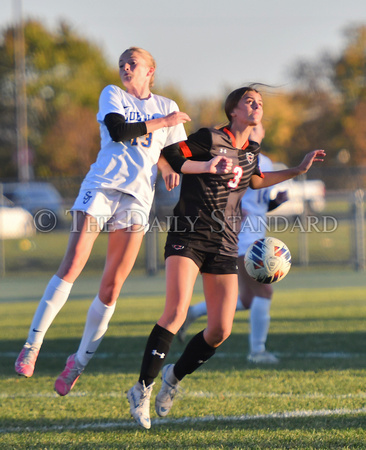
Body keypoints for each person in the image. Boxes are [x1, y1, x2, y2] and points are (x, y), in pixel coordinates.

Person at [126, 85, 326, 429]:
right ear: (233, 110)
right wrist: (207, 167)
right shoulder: (208, 137)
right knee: (174, 313)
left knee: (220, 329)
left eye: (260, 103)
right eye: (250, 101)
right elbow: (171, 155)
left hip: (224, 242)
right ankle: (141, 388)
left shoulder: (252, 150)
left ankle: (172, 377)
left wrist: (297, 170)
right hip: (188, 233)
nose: (256, 106)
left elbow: (258, 180)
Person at [14, 47, 191, 396]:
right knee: (75, 260)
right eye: (122, 63)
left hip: (138, 198)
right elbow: (119, 132)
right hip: (102, 186)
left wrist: (192, 161)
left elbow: (177, 154)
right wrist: (165, 125)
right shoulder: (113, 94)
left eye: (133, 63)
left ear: (150, 70)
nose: (126, 67)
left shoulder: (167, 105)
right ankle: (32, 346)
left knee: (112, 287)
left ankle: (77, 363)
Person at [177, 123, 288, 364]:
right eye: (251, 126)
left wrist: (275, 202)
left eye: (258, 126)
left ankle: (192, 313)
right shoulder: (235, 157)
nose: (254, 129)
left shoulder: (265, 162)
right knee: (265, 290)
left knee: (248, 300)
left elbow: (259, 203)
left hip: (257, 233)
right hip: (240, 234)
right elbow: (225, 190)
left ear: (265, 130)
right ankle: (257, 351)